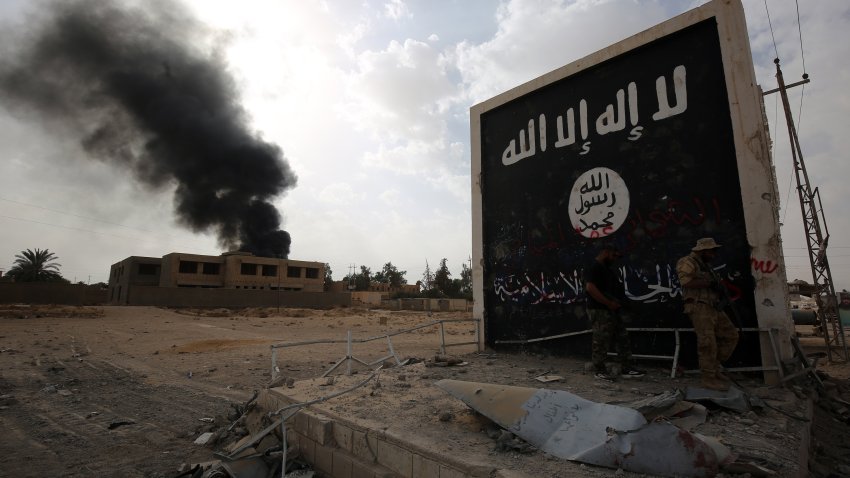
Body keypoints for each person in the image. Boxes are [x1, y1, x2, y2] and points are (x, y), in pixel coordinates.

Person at [676, 237, 740, 391]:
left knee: (731, 335)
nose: (714, 254)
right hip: (699, 307)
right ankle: (708, 378)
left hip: (713, 307)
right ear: (703, 250)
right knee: (707, 343)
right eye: (711, 251)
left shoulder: (706, 265)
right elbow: (685, 282)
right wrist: (710, 283)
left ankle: (714, 368)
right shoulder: (688, 262)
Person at [585, 244, 645, 380]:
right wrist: (608, 303)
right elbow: (590, 288)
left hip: (611, 309)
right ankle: (600, 370)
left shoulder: (607, 270)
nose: (615, 259)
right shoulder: (594, 267)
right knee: (601, 340)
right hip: (600, 310)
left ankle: (626, 367)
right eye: (614, 255)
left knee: (622, 337)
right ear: (606, 252)